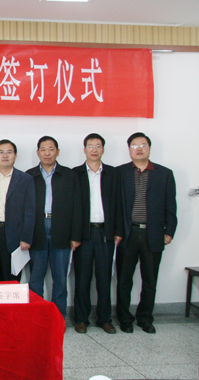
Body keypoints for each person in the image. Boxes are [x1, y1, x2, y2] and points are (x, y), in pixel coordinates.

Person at [116, 132, 177, 334]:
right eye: (135, 145)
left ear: (149, 148)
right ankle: (124, 318)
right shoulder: (120, 172)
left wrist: (170, 230)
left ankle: (145, 318)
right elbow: (114, 205)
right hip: (128, 233)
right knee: (124, 279)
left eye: (143, 145)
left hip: (153, 233)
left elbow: (171, 204)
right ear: (129, 149)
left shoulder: (164, 174)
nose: (139, 148)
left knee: (150, 280)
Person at [26, 136, 82, 318]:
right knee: (36, 277)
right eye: (43, 149)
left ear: (57, 152)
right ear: (38, 153)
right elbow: (23, 209)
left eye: (51, 149)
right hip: (37, 230)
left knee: (60, 278)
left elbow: (77, 206)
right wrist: (25, 235)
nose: (47, 153)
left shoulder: (69, 175)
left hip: (61, 229)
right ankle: (37, 317)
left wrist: (75, 235)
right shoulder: (29, 176)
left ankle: (58, 318)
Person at [73, 133, 123, 334]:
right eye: (90, 146)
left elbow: (119, 204)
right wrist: (74, 236)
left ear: (103, 149)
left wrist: (118, 231)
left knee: (104, 278)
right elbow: (71, 208)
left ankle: (105, 319)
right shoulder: (75, 174)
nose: (94, 149)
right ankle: (81, 319)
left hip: (105, 233)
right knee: (82, 279)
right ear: (84, 149)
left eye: (98, 146)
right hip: (83, 235)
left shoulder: (113, 173)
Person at [0, 139, 35, 282]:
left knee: (11, 279)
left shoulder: (25, 179)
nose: (5, 155)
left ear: (15, 155)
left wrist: (26, 238)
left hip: (14, 236)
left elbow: (30, 211)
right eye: (1, 152)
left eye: (9, 152)